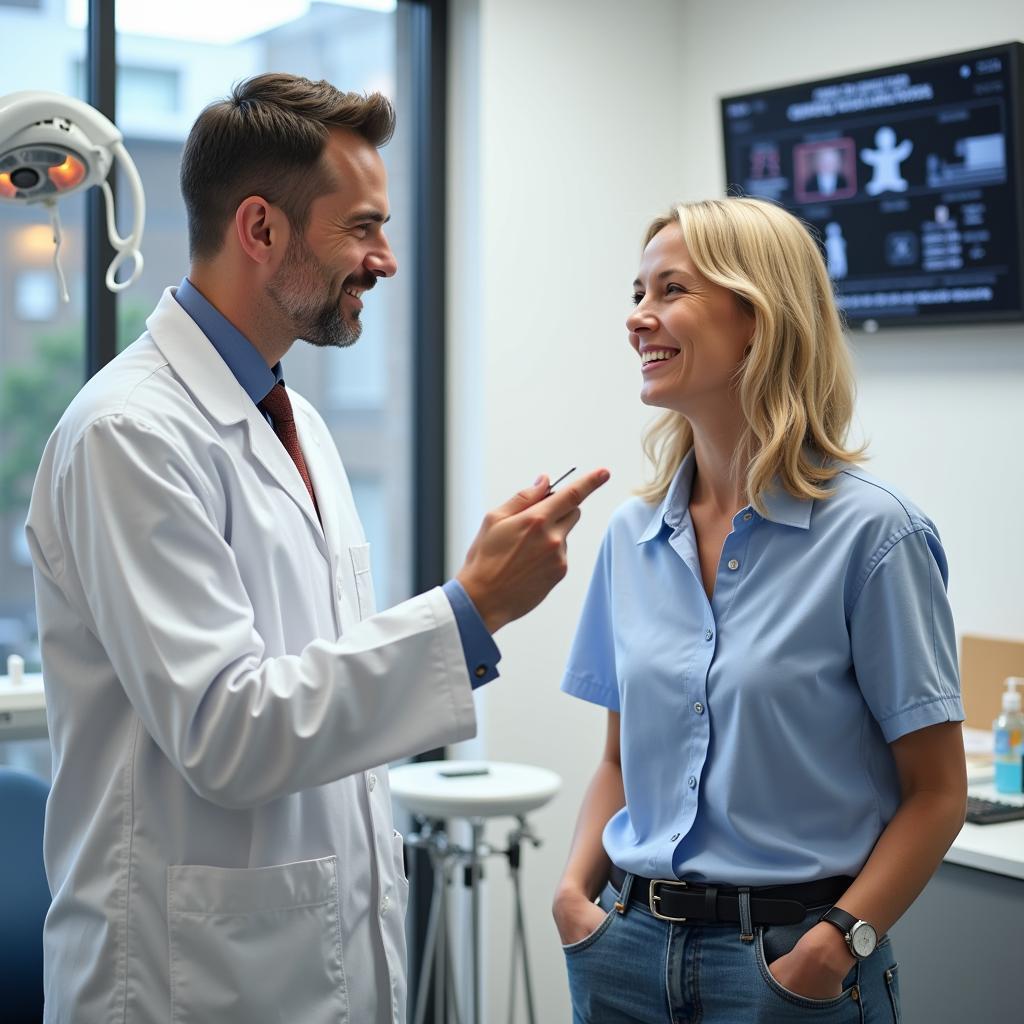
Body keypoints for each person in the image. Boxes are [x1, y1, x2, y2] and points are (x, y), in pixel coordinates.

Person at [25, 74, 608, 1024]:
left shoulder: (293, 424)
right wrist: (470, 611)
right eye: (363, 228)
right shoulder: (128, 434)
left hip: (303, 953)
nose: (385, 259)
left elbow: (315, 680)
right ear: (261, 229)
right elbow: (228, 730)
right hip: (182, 979)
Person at [552, 197, 966, 1022]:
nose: (638, 319)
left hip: (789, 968)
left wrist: (835, 944)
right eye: (636, 293)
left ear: (759, 319)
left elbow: (937, 794)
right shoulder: (632, 536)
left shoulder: (875, 535)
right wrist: (574, 898)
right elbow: (619, 760)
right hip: (624, 951)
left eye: (670, 290)